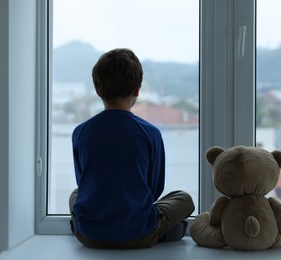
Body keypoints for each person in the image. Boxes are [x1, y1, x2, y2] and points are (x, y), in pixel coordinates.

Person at [69, 48, 195, 249]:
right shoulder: (150, 133)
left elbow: (83, 181)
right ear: (137, 90)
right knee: (184, 199)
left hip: (89, 235)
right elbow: (154, 189)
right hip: (137, 232)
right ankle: (164, 232)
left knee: (75, 195)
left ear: (98, 90)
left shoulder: (80, 132)